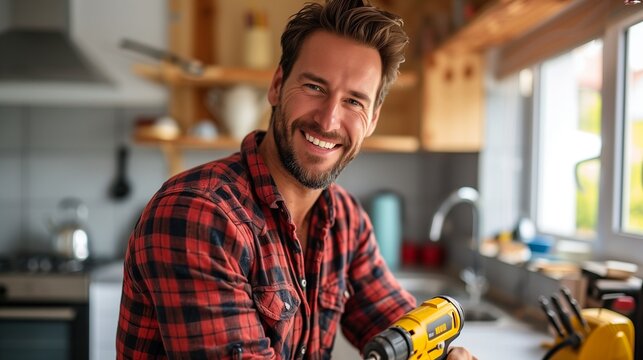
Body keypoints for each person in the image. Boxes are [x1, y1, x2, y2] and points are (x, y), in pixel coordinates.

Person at [117, 0, 476, 359]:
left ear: (372, 119)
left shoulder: (345, 219)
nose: (329, 120)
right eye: (315, 87)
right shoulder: (199, 214)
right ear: (276, 86)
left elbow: (401, 328)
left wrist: (444, 356)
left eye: (354, 101)